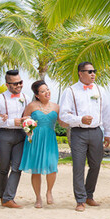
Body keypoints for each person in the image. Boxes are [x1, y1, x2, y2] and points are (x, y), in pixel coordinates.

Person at [58, 62, 110, 212]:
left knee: (95, 165)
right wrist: (80, 119)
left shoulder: (100, 90)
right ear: (80, 73)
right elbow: (63, 114)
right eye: (89, 72)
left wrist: (108, 133)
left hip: (96, 132)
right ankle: (80, 200)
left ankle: (89, 195)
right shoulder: (70, 91)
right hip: (78, 132)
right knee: (78, 166)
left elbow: (107, 113)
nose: (93, 74)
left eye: (94, 71)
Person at [19, 80, 63, 208]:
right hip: (35, 138)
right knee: (36, 169)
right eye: (43, 91)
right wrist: (27, 130)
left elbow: (62, 123)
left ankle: (49, 191)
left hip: (49, 138)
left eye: (47, 89)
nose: (47, 92)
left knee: (52, 165)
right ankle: (38, 197)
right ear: (37, 95)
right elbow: (24, 120)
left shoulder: (56, 106)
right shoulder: (32, 106)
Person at [0, 70, 28, 208]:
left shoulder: (26, 96)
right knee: (4, 168)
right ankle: (2, 196)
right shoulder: (0, 99)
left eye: (20, 82)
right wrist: (10, 121)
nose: (19, 85)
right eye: (15, 83)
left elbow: (30, 114)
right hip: (4, 135)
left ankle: (8, 198)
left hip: (21, 135)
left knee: (18, 167)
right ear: (7, 84)